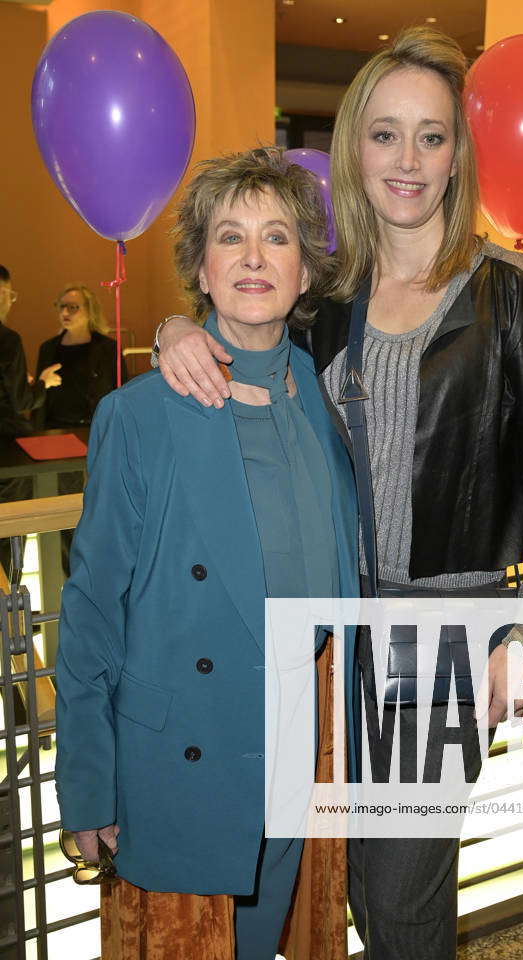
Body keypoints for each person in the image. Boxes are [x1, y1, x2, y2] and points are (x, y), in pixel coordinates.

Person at [154, 26, 523, 960]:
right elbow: (236, 322)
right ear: (354, 148)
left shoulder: (513, 291)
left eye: (432, 135)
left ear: (459, 151)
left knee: (401, 892)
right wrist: (168, 327)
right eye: (386, 134)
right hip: (323, 638)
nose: (408, 160)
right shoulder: (324, 298)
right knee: (338, 885)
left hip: (443, 639)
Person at [55, 149, 359, 960]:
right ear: (201, 266)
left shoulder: (322, 400)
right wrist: (87, 785)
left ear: (304, 274)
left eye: (277, 237)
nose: (255, 257)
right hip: (183, 754)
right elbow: (89, 612)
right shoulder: (141, 417)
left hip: (298, 744)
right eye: (231, 237)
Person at [33, 283, 127, 575]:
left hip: (98, 438)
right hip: (57, 441)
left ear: (89, 311)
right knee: (65, 518)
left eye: (73, 307)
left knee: (101, 513)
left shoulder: (108, 348)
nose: (65, 312)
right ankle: (71, 579)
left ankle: (104, 577)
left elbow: (122, 394)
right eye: (61, 306)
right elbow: (40, 400)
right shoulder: (48, 348)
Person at [0, 264, 61, 576]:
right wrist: (42, 385)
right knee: (11, 538)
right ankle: (10, 618)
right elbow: (22, 401)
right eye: (10, 295)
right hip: (8, 451)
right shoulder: (8, 339)